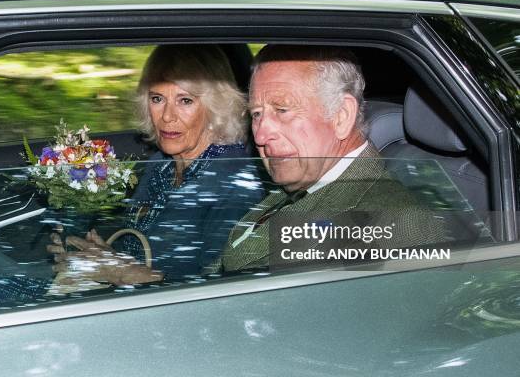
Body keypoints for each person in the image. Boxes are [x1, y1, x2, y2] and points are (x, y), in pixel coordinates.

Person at [209, 45, 443, 274]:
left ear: (341, 116)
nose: (260, 134)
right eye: (256, 114)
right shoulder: (302, 184)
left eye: (282, 110)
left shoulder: (395, 223)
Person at [48, 44, 264, 289]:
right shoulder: (160, 164)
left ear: (215, 107)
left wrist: (121, 272)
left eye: (185, 100)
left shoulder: (234, 184)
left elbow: (223, 292)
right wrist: (99, 255)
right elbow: (140, 254)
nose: (167, 116)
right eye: (157, 98)